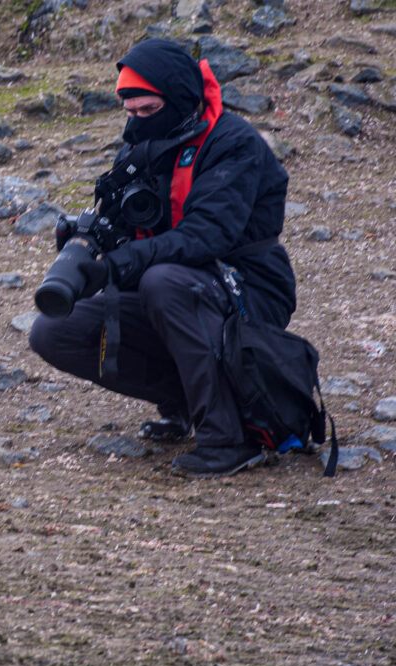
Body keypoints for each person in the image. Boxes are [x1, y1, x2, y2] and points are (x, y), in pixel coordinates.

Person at [29, 38, 296, 478]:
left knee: (162, 282)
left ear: (180, 100)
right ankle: (188, 401)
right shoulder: (140, 150)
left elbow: (207, 236)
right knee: (53, 331)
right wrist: (88, 246)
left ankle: (228, 439)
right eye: (130, 113)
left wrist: (121, 264)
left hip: (249, 286)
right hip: (177, 288)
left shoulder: (232, 143)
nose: (137, 124)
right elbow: (128, 232)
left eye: (148, 111)